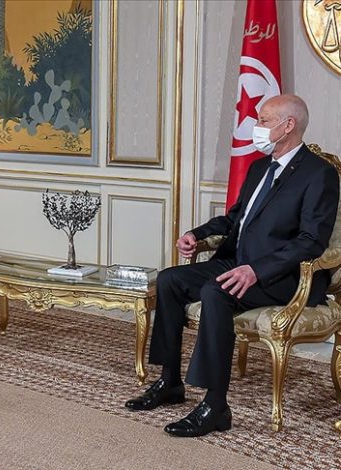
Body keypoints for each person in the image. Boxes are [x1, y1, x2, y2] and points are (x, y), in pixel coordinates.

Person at [124, 94, 339, 437]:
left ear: (288, 125)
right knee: (169, 280)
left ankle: (216, 406)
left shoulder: (319, 174)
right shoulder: (259, 168)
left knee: (216, 291)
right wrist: (197, 234)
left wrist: (257, 270)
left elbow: (311, 241)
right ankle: (170, 381)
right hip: (237, 262)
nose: (256, 126)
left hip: (283, 276)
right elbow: (235, 219)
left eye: (264, 120)